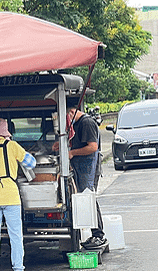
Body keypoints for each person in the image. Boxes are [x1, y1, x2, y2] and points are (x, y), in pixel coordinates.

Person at [0, 118, 36, 271]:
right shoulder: (12, 146)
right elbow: (31, 163)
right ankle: (18, 267)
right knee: (15, 234)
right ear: (5, 132)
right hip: (10, 195)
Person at [57, 106, 107, 249]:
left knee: (89, 198)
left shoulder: (87, 123)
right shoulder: (77, 124)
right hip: (80, 167)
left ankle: (98, 235)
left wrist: (72, 153)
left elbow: (92, 147)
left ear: (72, 112)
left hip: (89, 167)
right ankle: (90, 234)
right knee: (83, 199)